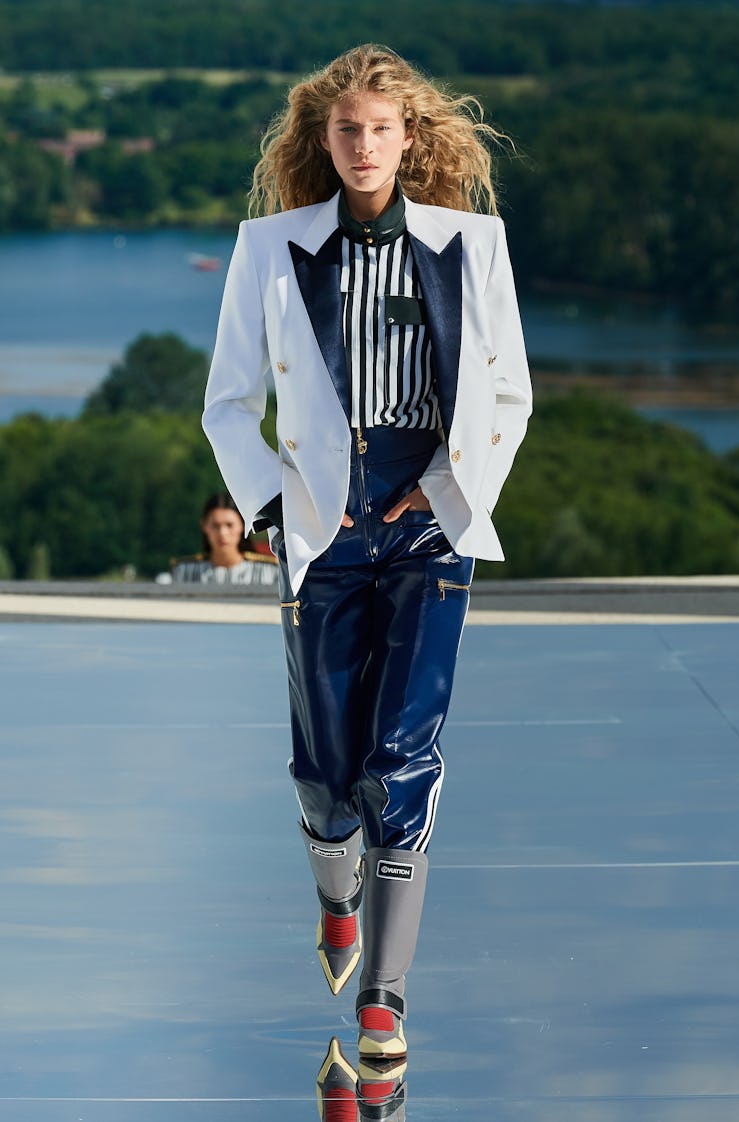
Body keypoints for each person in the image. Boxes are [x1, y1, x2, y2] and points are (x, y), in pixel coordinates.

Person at [202, 44, 532, 1061]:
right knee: (326, 769)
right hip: (319, 530)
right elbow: (224, 406)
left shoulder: (473, 244)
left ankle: (384, 997)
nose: (361, 145)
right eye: (344, 129)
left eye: (379, 128)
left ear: (408, 137)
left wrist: (443, 494)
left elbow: (511, 395)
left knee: (401, 760)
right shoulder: (270, 247)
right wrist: (279, 508)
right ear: (323, 139)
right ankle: (334, 897)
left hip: (432, 523)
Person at [168, 491, 278, 586]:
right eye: (215, 525)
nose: (222, 533)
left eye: (229, 525)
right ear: (204, 526)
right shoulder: (183, 572)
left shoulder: (269, 571)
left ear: (243, 526)